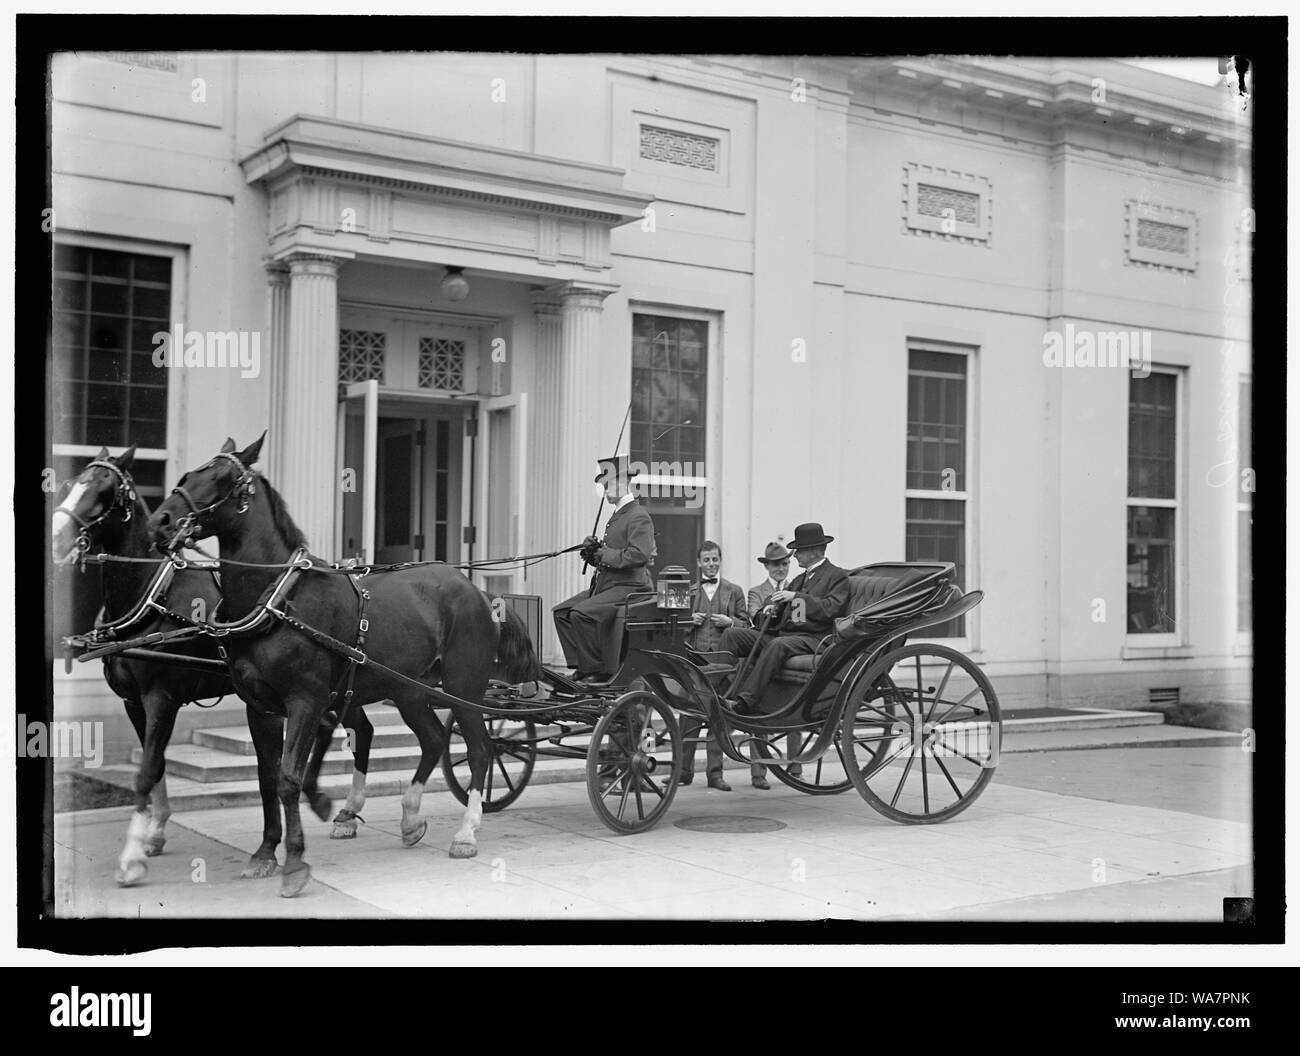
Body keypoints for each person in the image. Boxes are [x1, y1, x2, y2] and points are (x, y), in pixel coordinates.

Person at [717, 522, 851, 718]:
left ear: (812, 551)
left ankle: (745, 702)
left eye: (798, 551)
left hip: (814, 639)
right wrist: (771, 611)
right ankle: (713, 693)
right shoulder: (799, 580)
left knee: (778, 644)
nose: (794, 555)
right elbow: (796, 616)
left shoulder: (837, 576)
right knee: (732, 634)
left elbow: (830, 609)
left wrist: (794, 597)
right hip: (789, 636)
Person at [553, 454, 657, 685]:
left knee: (581, 613)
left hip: (630, 587)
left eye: (607, 485)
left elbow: (640, 555)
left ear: (622, 483)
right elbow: (612, 556)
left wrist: (604, 554)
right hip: (608, 585)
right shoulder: (619, 515)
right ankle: (582, 664)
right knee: (562, 612)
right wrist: (592, 554)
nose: (604, 490)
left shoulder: (639, 516)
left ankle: (598, 669)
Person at [679, 540, 749, 791]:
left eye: (715, 559)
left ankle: (715, 774)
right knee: (688, 715)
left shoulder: (735, 590)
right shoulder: (687, 591)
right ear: (699, 563)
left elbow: (748, 626)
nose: (711, 564)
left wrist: (730, 622)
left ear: (720, 561)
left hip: (724, 663)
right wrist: (689, 621)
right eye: (706, 560)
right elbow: (675, 628)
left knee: (718, 717)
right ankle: (682, 771)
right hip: (695, 661)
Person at [744, 540, 801, 788]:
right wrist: (768, 609)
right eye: (776, 564)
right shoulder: (756, 591)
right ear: (767, 566)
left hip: (789, 655)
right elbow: (754, 617)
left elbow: (800, 621)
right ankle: (759, 772)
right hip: (763, 659)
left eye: (785, 563)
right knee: (758, 712)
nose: (781, 569)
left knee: (795, 706)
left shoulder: (797, 589)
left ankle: (796, 767)